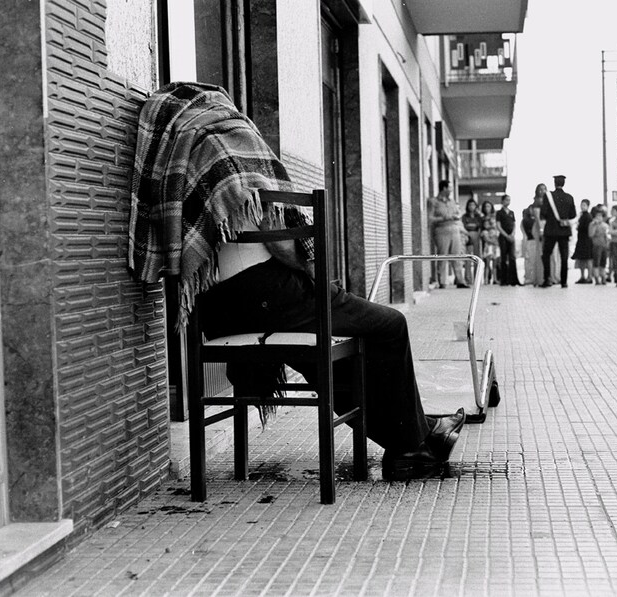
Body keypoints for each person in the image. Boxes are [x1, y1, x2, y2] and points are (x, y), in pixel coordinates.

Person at [128, 82, 465, 475]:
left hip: (217, 307)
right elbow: (282, 242)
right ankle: (413, 446)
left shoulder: (175, 156)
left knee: (327, 364)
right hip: (267, 293)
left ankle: (417, 439)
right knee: (391, 324)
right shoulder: (232, 144)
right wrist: (317, 276)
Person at [427, 180, 469, 289]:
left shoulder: (452, 201)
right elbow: (430, 218)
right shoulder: (434, 202)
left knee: (457, 255)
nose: (451, 190)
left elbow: (457, 213)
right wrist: (444, 218)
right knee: (443, 256)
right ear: (444, 188)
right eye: (450, 188)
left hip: (454, 229)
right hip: (441, 229)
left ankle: (460, 281)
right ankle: (442, 281)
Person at [540, 175, 577, 288]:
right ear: (564, 183)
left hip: (551, 230)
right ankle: (564, 281)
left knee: (546, 255)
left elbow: (544, 212)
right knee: (564, 256)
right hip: (564, 231)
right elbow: (573, 214)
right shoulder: (569, 197)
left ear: (554, 183)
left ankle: (547, 279)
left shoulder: (548, 196)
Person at [496, 194, 520, 285]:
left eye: (509, 200)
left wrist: (512, 234)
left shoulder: (511, 212)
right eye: (506, 200)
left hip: (511, 236)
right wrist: (506, 235)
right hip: (503, 236)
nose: (508, 202)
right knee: (504, 258)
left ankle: (514, 280)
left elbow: (514, 224)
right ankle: (504, 280)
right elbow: (498, 226)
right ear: (502, 201)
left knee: (512, 257)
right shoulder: (499, 213)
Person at [461, 199, 483, 285]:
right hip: (468, 237)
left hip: (477, 237)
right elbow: (464, 226)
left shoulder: (478, 217)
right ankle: (468, 279)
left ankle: (477, 279)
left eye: (473, 205)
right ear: (467, 206)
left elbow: (480, 227)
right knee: (468, 258)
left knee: (477, 258)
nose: (472, 207)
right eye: (470, 205)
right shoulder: (464, 216)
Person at [571, 199, 593, 283]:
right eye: (581, 205)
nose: (582, 206)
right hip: (581, 239)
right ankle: (583, 276)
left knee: (588, 259)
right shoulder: (582, 216)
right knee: (582, 259)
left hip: (586, 239)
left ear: (587, 206)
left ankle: (589, 276)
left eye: (584, 205)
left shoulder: (588, 216)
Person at [521, 192, 540, 285]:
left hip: (530, 241)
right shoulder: (528, 221)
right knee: (531, 261)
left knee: (530, 261)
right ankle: (530, 278)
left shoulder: (525, 221)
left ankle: (530, 277)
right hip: (531, 241)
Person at [480, 200, 500, 284]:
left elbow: (498, 228)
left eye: (488, 206)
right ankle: (486, 279)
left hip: (495, 240)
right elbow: (482, 230)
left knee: (495, 261)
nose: (487, 208)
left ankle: (495, 279)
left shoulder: (495, 217)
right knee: (487, 261)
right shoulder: (482, 218)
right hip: (487, 241)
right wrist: (487, 239)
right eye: (485, 206)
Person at [588, 205, 609, 285]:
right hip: (596, 245)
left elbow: (608, 235)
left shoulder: (605, 225)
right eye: (597, 216)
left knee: (603, 262)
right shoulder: (592, 224)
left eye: (600, 216)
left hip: (604, 245)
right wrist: (595, 225)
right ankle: (596, 278)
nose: (599, 217)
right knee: (596, 262)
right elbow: (591, 234)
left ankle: (603, 277)